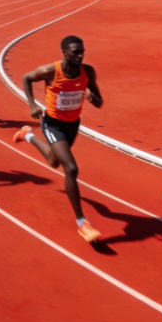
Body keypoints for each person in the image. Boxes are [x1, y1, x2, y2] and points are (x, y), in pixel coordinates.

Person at [13, 36, 104, 243]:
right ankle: (82, 223)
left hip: (73, 125)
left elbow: (99, 103)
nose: (80, 55)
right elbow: (27, 78)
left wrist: (93, 98)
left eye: (82, 51)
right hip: (52, 124)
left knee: (54, 162)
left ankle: (27, 135)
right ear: (64, 53)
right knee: (70, 168)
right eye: (75, 52)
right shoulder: (51, 71)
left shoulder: (87, 72)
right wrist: (32, 105)